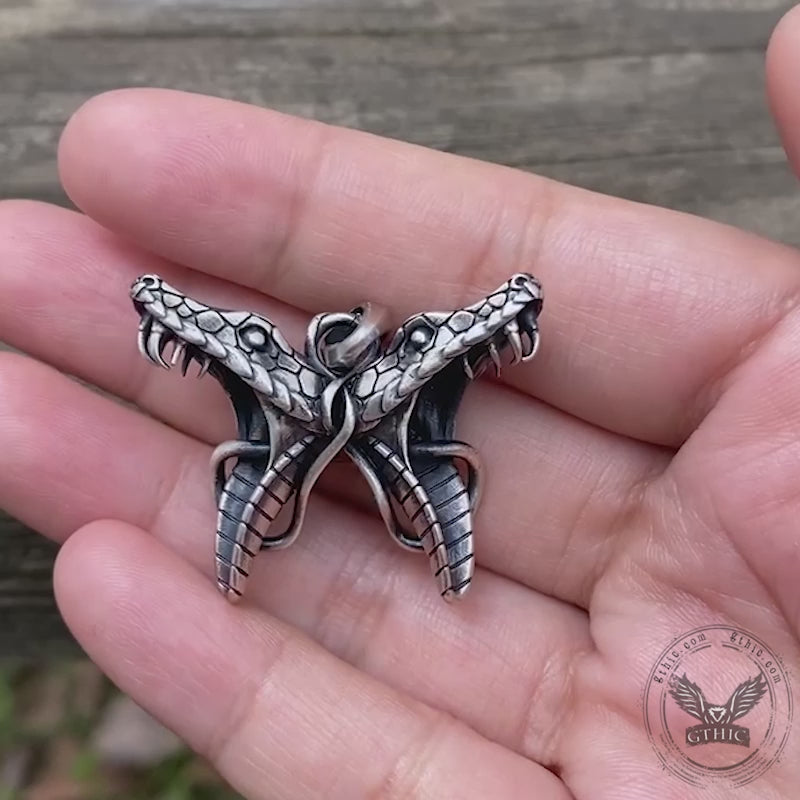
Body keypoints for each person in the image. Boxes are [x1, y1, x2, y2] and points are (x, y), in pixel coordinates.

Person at [1, 8, 799, 799]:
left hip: (394, 442)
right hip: (308, 435)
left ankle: (439, 563)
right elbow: (204, 329)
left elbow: (474, 326)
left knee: (418, 508)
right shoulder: (276, 366)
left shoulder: (402, 367)